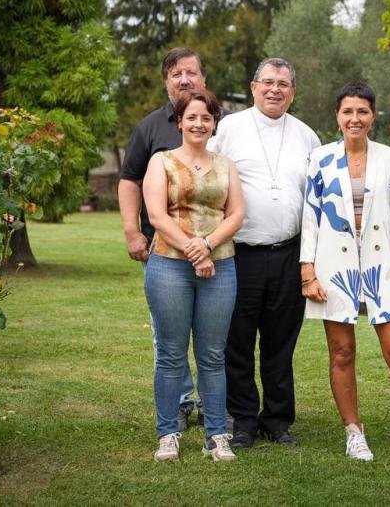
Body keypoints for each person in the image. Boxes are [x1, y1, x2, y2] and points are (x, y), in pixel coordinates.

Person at [300, 81, 390, 463]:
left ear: (372, 116)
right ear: (337, 116)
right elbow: (311, 217)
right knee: (342, 351)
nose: (355, 118)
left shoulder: (389, 157)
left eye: (362, 111)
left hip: (381, 265)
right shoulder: (320, 158)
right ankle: (354, 432)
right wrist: (308, 271)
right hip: (335, 266)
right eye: (347, 111)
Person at [209, 58, 321, 449]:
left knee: (280, 342)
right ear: (254, 86)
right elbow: (208, 178)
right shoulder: (228, 129)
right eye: (268, 82)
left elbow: (318, 199)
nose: (276, 89)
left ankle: (277, 419)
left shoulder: (307, 136)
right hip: (240, 254)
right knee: (237, 340)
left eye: (284, 84)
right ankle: (242, 420)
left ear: (293, 92)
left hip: (290, 253)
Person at [142, 89, 244, 462]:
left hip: (221, 267)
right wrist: (192, 249)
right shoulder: (161, 162)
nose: (199, 124)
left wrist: (208, 245)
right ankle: (168, 433)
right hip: (169, 265)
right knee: (170, 354)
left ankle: (217, 434)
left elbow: (236, 214)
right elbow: (157, 216)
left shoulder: (226, 164)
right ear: (179, 122)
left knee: (214, 356)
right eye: (192, 117)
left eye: (206, 118)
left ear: (214, 123)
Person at [119, 47, 205, 432]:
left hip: (213, 248)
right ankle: (182, 401)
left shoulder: (218, 123)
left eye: (191, 72)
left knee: (214, 331)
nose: (183, 79)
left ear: (203, 79)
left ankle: (213, 402)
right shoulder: (150, 127)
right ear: (166, 81)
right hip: (164, 250)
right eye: (175, 74)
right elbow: (128, 180)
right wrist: (132, 231)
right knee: (167, 334)